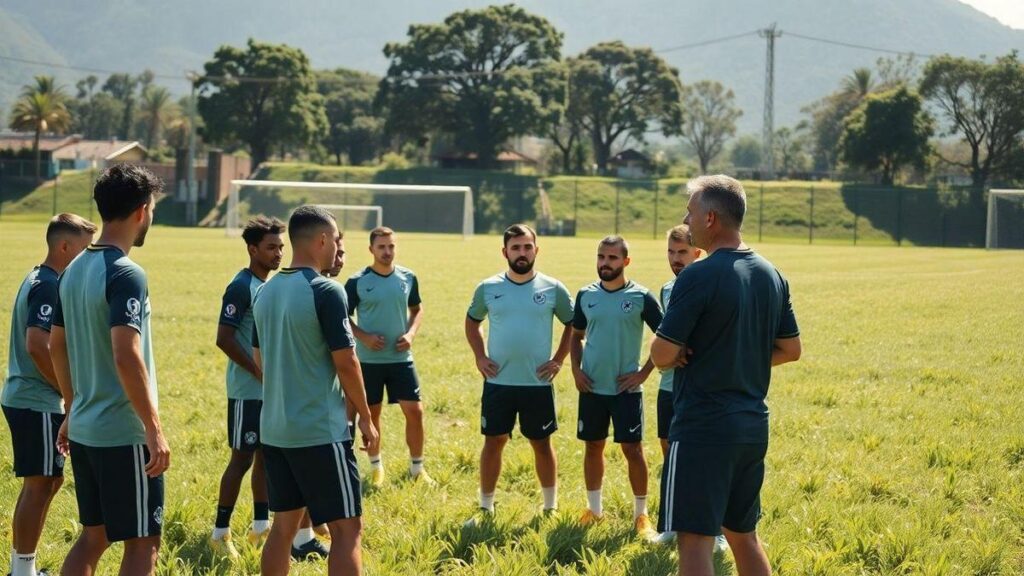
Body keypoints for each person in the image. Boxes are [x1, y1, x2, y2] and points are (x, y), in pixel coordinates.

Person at [651, 175, 801, 576]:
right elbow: (790, 350)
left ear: (711, 218)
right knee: (743, 535)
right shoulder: (772, 273)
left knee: (694, 541)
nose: (686, 219)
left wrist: (687, 352)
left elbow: (661, 354)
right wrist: (739, 356)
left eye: (690, 211)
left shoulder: (697, 275)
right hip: (751, 427)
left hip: (703, 428)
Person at [51, 164, 170, 576]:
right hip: (123, 433)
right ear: (141, 211)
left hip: (85, 428)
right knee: (143, 543)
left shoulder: (72, 270)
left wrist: (72, 409)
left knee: (93, 537)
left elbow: (55, 345)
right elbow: (126, 354)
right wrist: (153, 429)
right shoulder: (126, 273)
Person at [252, 205, 379, 576]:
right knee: (347, 528)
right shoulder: (325, 290)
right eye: (336, 239)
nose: (337, 246)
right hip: (319, 432)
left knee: (283, 526)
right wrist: (366, 418)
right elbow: (347, 362)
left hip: (275, 430)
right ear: (323, 240)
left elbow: (259, 360)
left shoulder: (264, 291)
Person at [2, 213, 96, 576]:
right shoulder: (48, 284)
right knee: (40, 486)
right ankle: (22, 571)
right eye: (85, 250)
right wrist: (67, 392)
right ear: (64, 247)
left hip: (32, 399)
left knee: (49, 482)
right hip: (35, 400)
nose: (88, 259)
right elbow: (37, 345)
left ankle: (23, 567)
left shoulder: (40, 277)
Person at [464, 224, 574, 525]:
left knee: (541, 443)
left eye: (527, 247)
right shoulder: (488, 288)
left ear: (536, 250)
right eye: (516, 248)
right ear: (505, 252)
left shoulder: (553, 288)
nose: (522, 253)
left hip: (537, 383)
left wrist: (558, 360)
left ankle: (550, 507)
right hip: (498, 382)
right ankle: (485, 508)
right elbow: (472, 322)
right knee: (493, 441)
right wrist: (480, 356)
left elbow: (573, 324)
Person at [570, 235, 662, 537]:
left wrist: (644, 373)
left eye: (612, 258)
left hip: (626, 391)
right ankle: (594, 510)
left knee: (632, 450)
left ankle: (641, 515)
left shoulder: (641, 296)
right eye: (601, 257)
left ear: (626, 261)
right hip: (592, 388)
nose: (605, 263)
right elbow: (576, 336)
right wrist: (576, 370)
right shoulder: (585, 295)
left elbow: (664, 338)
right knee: (593, 446)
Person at [209, 217, 285, 558]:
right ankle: (219, 533)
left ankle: (259, 526)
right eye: (271, 247)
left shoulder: (268, 285)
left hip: (267, 390)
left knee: (266, 457)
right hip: (247, 392)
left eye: (281, 247)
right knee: (241, 460)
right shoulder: (241, 286)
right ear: (253, 249)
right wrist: (258, 372)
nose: (278, 253)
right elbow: (223, 338)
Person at [344, 227, 431, 486]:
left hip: (401, 359)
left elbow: (417, 309)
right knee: (372, 415)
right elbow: (342, 317)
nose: (387, 251)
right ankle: (376, 467)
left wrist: (411, 334)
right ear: (371, 249)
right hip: (368, 362)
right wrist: (364, 337)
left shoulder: (408, 277)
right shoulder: (357, 281)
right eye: (381, 247)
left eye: (391, 246)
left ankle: (417, 468)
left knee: (415, 411)